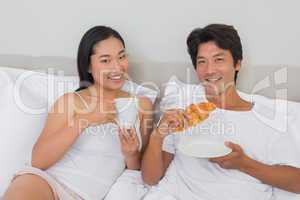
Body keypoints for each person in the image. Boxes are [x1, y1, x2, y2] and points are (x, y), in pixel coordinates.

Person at [142, 24, 300, 200]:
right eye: (202, 61)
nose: (209, 70)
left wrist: (244, 164)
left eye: (219, 59)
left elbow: (296, 182)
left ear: (238, 63)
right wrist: (158, 136)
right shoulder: (183, 109)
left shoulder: (268, 116)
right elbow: (150, 178)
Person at [3, 26, 153, 200]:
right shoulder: (71, 101)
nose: (117, 67)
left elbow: (141, 172)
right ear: (88, 66)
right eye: (105, 60)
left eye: (121, 56)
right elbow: (37, 161)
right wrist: (83, 120)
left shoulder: (142, 105)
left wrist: (131, 155)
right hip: (46, 184)